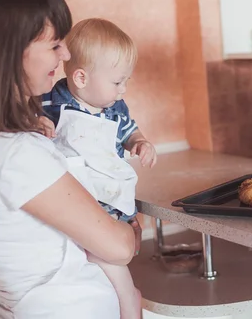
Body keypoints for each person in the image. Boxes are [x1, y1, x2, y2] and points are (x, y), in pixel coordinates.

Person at [0, 0, 139, 319]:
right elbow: (119, 248)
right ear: (13, 50)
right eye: (54, 44)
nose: (65, 55)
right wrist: (132, 231)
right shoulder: (13, 153)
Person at [40, 18, 157, 319]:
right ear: (80, 77)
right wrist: (36, 123)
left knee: (113, 255)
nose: (124, 90)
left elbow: (131, 132)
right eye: (118, 82)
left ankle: (128, 300)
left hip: (111, 196)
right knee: (99, 259)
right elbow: (27, 121)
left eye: (126, 81)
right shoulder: (52, 103)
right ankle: (128, 297)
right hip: (78, 200)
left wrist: (140, 142)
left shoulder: (116, 110)